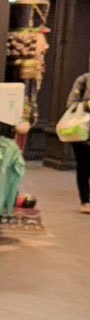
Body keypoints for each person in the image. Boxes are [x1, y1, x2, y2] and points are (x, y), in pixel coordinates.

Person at [65, 67, 90, 213]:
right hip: (82, 133)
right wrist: (87, 105)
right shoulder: (83, 80)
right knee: (84, 167)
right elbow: (71, 104)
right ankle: (85, 201)